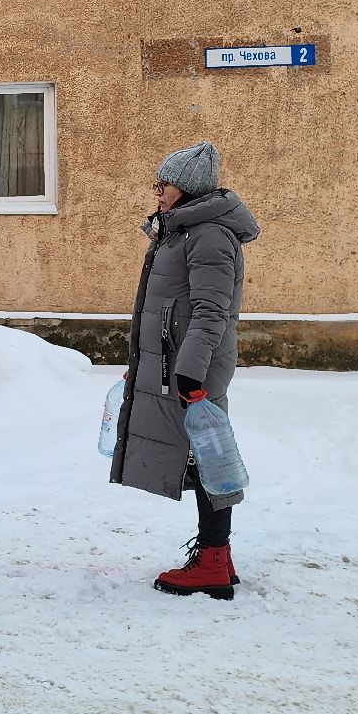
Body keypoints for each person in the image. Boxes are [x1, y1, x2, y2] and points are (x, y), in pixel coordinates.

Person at [109, 142, 260, 600]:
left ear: (187, 188)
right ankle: (218, 556)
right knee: (200, 458)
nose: (157, 191)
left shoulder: (209, 236)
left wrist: (189, 373)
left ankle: (213, 563)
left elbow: (211, 311)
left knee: (205, 459)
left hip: (192, 368)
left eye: (164, 183)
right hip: (176, 363)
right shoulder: (181, 233)